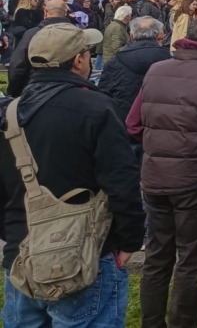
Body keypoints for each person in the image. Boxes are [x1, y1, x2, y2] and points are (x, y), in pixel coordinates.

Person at [0, 22, 145, 327]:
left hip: (22, 250)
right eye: (88, 52)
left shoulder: (10, 114)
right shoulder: (97, 108)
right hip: (84, 250)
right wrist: (130, 240)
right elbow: (122, 181)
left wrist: (12, 235)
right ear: (78, 60)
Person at [126, 16, 197, 328]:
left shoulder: (157, 70)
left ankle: (152, 323)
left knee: (157, 257)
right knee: (191, 261)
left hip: (156, 178)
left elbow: (133, 124)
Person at [98, 16, 170, 123]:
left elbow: (103, 95)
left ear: (132, 36)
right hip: (161, 122)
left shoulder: (115, 62)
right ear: (158, 36)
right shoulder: (170, 60)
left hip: (123, 121)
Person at [7, 0, 72, 96]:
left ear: (45, 12)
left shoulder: (32, 34)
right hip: (68, 89)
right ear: (65, 12)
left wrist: (14, 91)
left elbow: (17, 65)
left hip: (35, 89)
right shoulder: (76, 35)